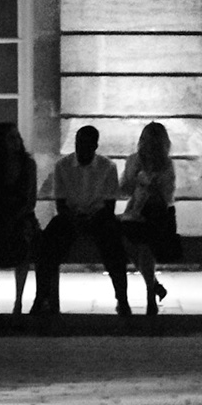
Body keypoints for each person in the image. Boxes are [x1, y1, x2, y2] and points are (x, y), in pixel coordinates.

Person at [36, 125, 131, 316]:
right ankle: (42, 297)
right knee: (46, 243)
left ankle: (122, 298)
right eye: (78, 143)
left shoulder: (108, 167)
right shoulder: (62, 166)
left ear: (95, 146)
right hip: (70, 217)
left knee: (114, 245)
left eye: (86, 144)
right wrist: (75, 219)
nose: (81, 148)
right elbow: (61, 203)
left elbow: (109, 206)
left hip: (99, 218)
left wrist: (91, 219)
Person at [0, 122, 37, 318]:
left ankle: (18, 302)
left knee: (24, 241)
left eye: (17, 137)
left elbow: (30, 199)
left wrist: (16, 216)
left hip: (20, 213)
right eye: (11, 138)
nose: (16, 142)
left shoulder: (28, 165)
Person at [119, 121, 179, 316]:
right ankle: (152, 286)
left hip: (157, 215)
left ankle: (150, 293)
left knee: (144, 244)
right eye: (146, 140)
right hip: (135, 213)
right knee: (128, 238)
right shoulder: (133, 160)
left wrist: (154, 186)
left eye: (154, 141)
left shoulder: (167, 165)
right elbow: (124, 189)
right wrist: (135, 177)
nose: (149, 145)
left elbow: (167, 196)